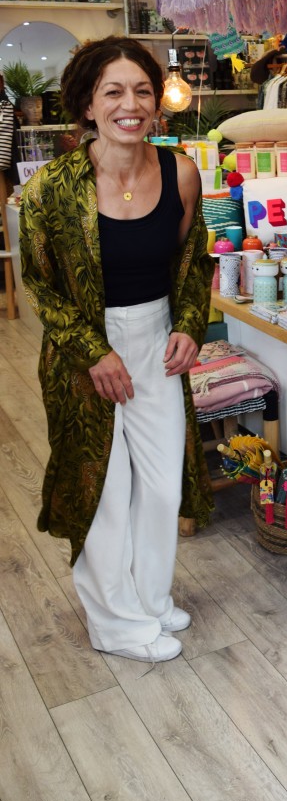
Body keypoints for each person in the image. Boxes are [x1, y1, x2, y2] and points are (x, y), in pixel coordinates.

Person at [20, 36, 214, 664]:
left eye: (142, 91)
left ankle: (151, 601)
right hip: (86, 353)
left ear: (158, 102)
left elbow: (192, 260)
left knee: (160, 486)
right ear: (86, 104)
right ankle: (115, 624)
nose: (130, 105)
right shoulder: (52, 188)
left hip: (158, 340)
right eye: (113, 92)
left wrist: (187, 322)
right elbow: (40, 287)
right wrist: (91, 352)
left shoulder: (180, 170)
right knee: (104, 488)